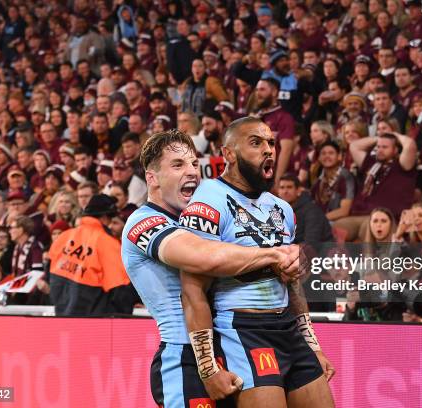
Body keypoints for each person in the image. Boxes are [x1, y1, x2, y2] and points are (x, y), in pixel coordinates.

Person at [121, 129, 301, 407]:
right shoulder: (142, 222)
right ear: (152, 178)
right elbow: (202, 257)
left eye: (194, 163)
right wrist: (274, 255)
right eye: (178, 165)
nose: (192, 172)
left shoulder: (204, 215)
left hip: (227, 347)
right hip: (185, 357)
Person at [178, 118, 335, 407]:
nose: (268, 150)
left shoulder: (283, 209)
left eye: (271, 143)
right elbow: (191, 289)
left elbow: (292, 284)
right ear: (229, 154)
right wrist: (208, 368)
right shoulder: (207, 201)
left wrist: (313, 346)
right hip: (244, 330)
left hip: (288, 328)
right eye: (256, 142)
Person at [49, 194, 136, 316]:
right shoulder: (107, 244)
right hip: (94, 324)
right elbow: (121, 289)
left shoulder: (64, 237)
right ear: (105, 217)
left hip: (62, 317)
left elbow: (51, 275)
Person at [341, 132, 417, 241]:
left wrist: (394, 135)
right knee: (336, 228)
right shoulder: (371, 162)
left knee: (369, 227)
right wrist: (381, 138)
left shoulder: (403, 164)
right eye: (378, 147)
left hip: (385, 217)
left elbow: (410, 144)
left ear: (395, 150)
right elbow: (354, 146)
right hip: (359, 214)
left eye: (385, 147)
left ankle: (370, 257)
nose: (380, 150)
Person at [277, 174, 333, 246]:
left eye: (289, 187)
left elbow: (311, 243)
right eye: (282, 188)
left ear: (298, 191)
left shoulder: (312, 211)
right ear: (278, 191)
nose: (285, 191)